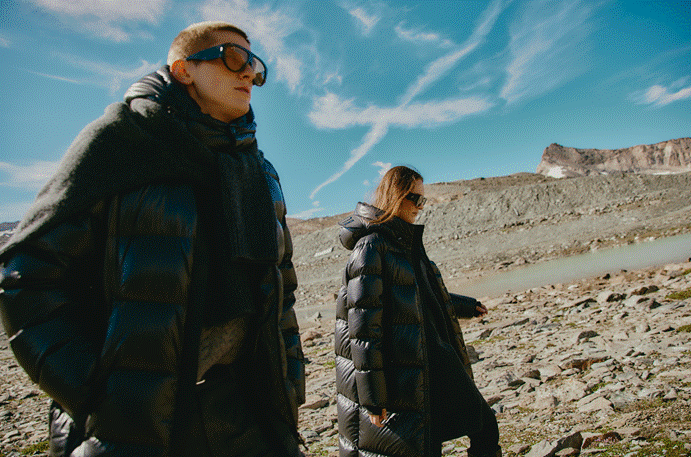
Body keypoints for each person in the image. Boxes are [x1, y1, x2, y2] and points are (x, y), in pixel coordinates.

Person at [0, 21, 305, 457]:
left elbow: (281, 289)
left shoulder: (257, 170)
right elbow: (26, 276)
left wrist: (289, 385)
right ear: (184, 70)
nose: (248, 73)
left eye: (255, 66)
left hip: (249, 418)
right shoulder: (120, 142)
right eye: (233, 57)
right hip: (135, 427)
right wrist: (97, 393)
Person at [334, 166, 501, 457]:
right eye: (416, 199)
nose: (421, 207)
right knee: (434, 440)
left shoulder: (402, 242)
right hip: (405, 369)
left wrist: (465, 306)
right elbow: (363, 328)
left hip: (428, 357)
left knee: (481, 425)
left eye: (424, 200)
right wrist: (373, 397)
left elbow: (419, 293)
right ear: (395, 196)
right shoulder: (372, 247)